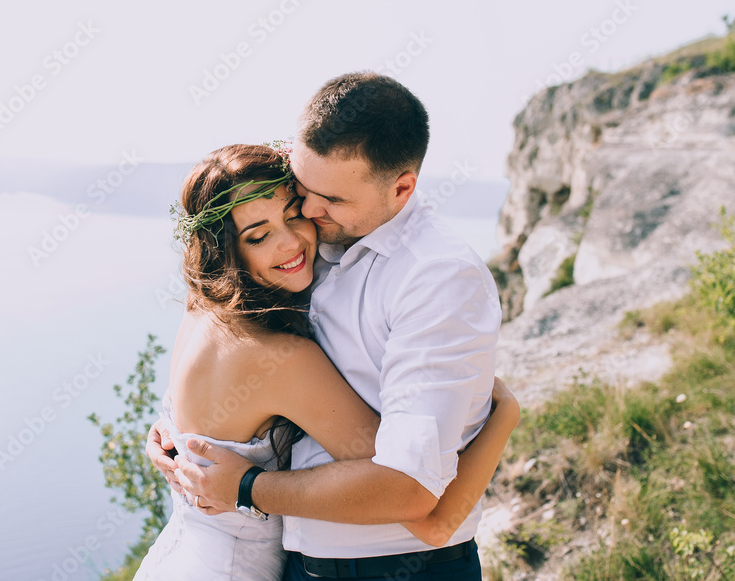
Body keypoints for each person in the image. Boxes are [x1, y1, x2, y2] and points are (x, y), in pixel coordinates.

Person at [157, 72, 506, 580]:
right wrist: (176, 440)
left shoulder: (436, 274)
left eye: (323, 203)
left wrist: (243, 483)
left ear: (402, 187)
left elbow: (412, 493)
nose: (308, 217)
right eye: (304, 190)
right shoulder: (297, 273)